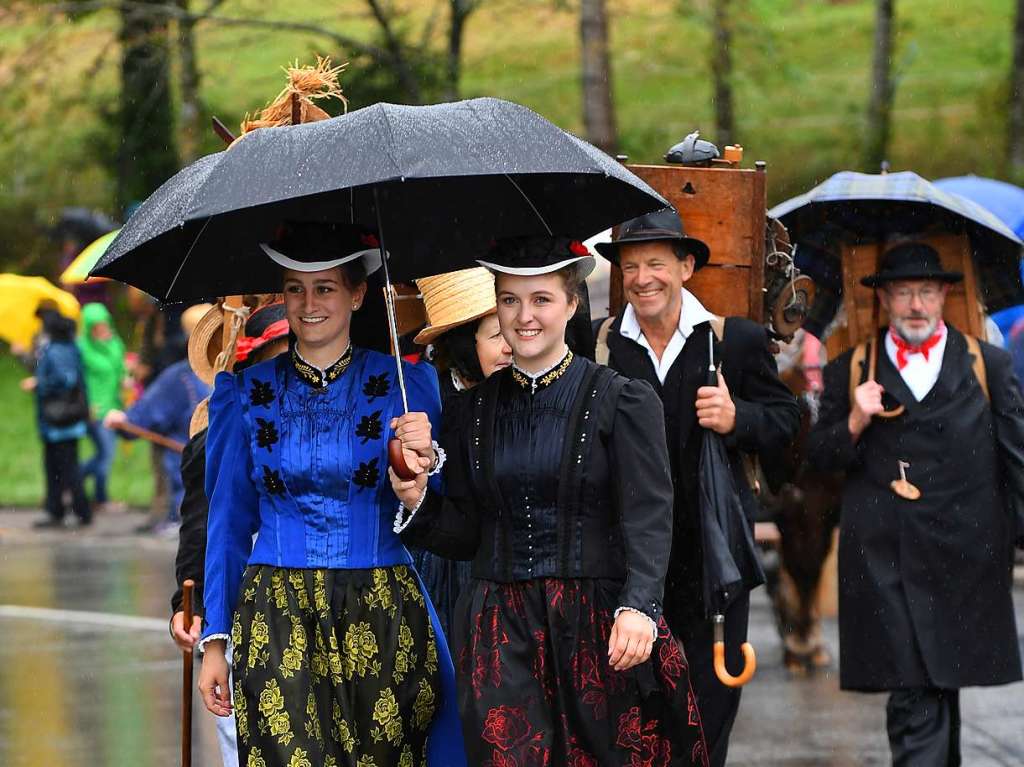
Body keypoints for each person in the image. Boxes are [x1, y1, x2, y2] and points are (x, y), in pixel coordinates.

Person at [391, 237, 708, 766]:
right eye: (510, 300)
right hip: (499, 633)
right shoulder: (469, 412)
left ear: (571, 304)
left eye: (540, 299)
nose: (524, 316)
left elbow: (650, 515)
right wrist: (419, 500)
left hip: (600, 628)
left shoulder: (621, 400)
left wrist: (641, 606)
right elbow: (468, 534)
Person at [197, 222, 464, 767]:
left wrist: (424, 463)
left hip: (384, 610)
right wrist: (217, 638)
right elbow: (225, 521)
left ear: (358, 293)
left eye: (325, 288)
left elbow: (443, 514)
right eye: (295, 288)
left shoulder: (407, 388)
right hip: (276, 614)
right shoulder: (244, 395)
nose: (308, 303)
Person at [593, 207, 800, 767]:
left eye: (656, 263)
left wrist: (740, 419)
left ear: (686, 266)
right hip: (626, 566)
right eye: (630, 266)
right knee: (635, 724)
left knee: (705, 728)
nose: (642, 279)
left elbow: (789, 425)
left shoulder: (735, 342)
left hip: (712, 565)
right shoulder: (600, 346)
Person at [807, 242, 1024, 766]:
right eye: (903, 293)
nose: (916, 306)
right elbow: (815, 461)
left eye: (926, 292)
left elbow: (1017, 459)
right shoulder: (851, 368)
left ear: (946, 294)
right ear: (882, 299)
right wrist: (854, 421)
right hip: (886, 563)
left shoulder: (986, 365)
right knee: (913, 692)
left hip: (965, 559)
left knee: (938, 688)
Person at [171, 298, 291, 767]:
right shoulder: (215, 439)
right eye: (272, 363)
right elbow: (201, 532)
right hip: (242, 609)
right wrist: (187, 609)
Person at [409, 267, 512, 639]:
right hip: (444, 559)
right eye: (496, 335)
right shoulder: (425, 394)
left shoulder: (521, 392)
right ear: (466, 343)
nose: (509, 347)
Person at [104, 303, 212, 536]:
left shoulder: (181, 376)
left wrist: (123, 420)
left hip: (190, 494)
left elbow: (143, 416)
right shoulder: (247, 370)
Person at [23, 306, 92, 528]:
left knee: (63, 467)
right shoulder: (68, 347)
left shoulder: (55, 350)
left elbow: (66, 379)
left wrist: (39, 384)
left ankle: (76, 511)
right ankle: (63, 510)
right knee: (59, 466)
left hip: (59, 421)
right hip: (62, 421)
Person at [77, 302, 126, 511]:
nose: (102, 329)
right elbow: (78, 380)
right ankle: (97, 496)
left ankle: (72, 482)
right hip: (95, 409)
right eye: (96, 326)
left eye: (104, 324)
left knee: (104, 454)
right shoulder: (82, 348)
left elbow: (120, 369)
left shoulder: (114, 343)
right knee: (105, 454)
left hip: (114, 407)